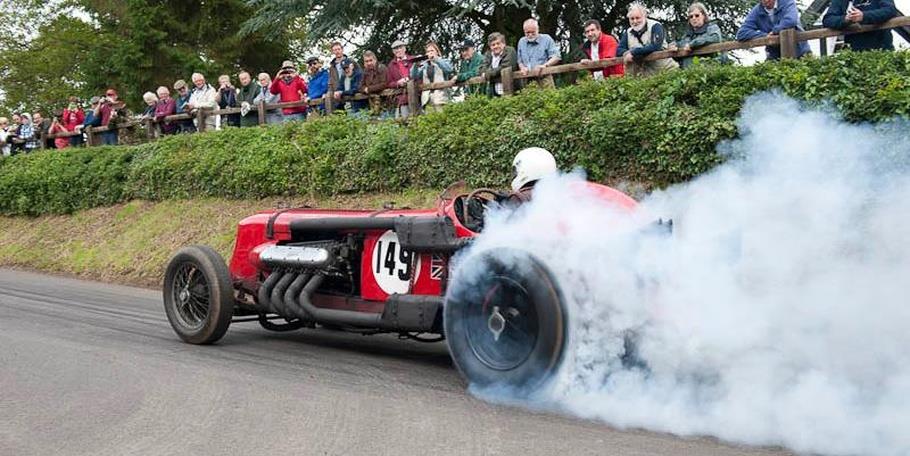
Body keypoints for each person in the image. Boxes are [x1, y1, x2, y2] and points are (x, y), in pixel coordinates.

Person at [617, 3, 679, 77]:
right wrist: (627, 53)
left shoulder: (656, 26)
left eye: (637, 18)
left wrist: (633, 52)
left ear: (645, 16)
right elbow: (619, 50)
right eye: (632, 19)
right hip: (645, 77)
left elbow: (655, 46)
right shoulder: (627, 32)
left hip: (666, 71)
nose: (635, 21)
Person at [736, 0, 811, 60]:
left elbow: (791, 20)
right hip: (774, 56)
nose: (766, 0)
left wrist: (774, 32)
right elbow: (741, 33)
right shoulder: (757, 11)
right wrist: (764, 35)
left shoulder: (787, 2)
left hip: (800, 52)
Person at [823, 0, 898, 51]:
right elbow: (828, 19)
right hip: (853, 54)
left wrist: (864, 16)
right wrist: (846, 19)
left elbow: (890, 10)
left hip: (882, 50)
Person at [672, 3, 727, 68]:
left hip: (708, 72)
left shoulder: (712, 28)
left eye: (697, 15)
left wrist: (692, 44)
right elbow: (679, 52)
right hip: (688, 74)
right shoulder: (687, 36)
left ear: (704, 16)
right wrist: (673, 47)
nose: (694, 18)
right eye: (691, 16)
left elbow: (715, 38)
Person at [517, 18, 562, 88]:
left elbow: (556, 56)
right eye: (527, 33)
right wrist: (522, 67)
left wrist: (545, 65)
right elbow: (519, 60)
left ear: (538, 30)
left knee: (549, 98)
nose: (530, 35)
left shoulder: (546, 39)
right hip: (527, 81)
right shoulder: (521, 42)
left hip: (544, 78)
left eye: (533, 32)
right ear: (524, 31)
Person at [410, 41, 454, 114]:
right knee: (430, 121)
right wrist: (415, 65)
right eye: (428, 51)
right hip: (427, 100)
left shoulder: (444, 61)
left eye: (432, 50)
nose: (430, 53)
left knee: (442, 119)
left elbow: (449, 70)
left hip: (441, 98)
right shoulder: (424, 65)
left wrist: (436, 60)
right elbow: (414, 76)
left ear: (437, 52)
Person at [479, 32, 519, 97]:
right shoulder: (488, 54)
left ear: (503, 44)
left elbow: (505, 67)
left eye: (498, 43)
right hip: (494, 91)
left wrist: (487, 74)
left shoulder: (510, 51)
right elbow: (481, 68)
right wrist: (485, 72)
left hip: (512, 90)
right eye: (493, 45)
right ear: (490, 47)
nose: (496, 46)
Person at [386, 40, 414, 119]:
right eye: (395, 49)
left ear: (405, 48)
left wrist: (409, 79)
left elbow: (419, 75)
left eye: (400, 48)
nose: (398, 50)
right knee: (404, 122)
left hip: (417, 96)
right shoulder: (391, 65)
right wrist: (398, 83)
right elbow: (389, 83)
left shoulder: (413, 60)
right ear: (393, 51)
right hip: (402, 99)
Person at [360, 50, 389, 116]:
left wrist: (369, 89)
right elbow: (360, 86)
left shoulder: (382, 68)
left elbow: (384, 84)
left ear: (375, 60)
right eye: (366, 61)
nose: (369, 63)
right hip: (372, 103)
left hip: (386, 102)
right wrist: (365, 89)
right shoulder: (365, 71)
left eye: (370, 60)